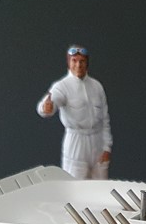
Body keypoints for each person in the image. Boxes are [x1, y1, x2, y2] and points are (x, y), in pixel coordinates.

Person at [37, 45, 113, 179]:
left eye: (82, 61)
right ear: (69, 62)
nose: (78, 65)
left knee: (101, 184)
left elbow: (105, 119)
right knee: (74, 184)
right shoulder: (62, 86)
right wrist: (46, 108)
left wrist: (107, 147)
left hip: (97, 142)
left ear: (87, 63)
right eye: (74, 61)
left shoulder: (97, 86)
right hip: (76, 143)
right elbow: (49, 104)